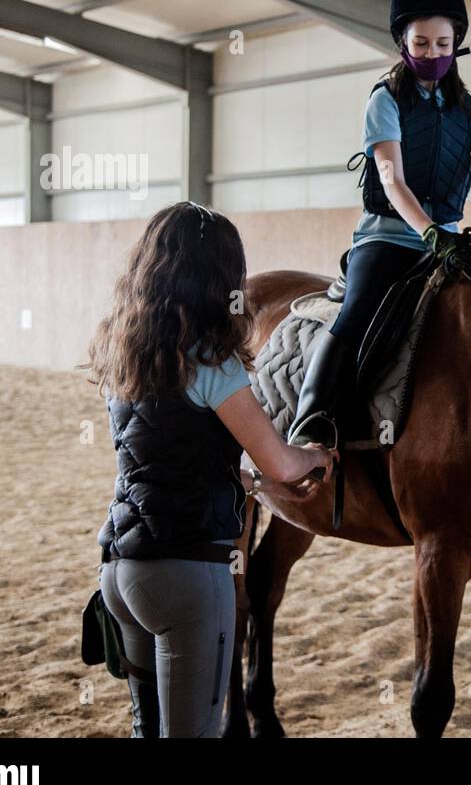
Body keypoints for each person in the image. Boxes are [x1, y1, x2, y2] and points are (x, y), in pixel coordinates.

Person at [84, 201, 336, 737]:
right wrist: (315, 455)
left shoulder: (120, 350)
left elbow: (163, 453)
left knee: (145, 730)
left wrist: (237, 478)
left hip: (119, 570)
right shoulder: (211, 362)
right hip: (187, 576)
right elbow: (279, 462)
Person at [289, 0, 471, 451]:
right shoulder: (385, 100)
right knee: (358, 312)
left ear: (456, 42)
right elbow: (391, 179)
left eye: (442, 43)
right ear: (403, 43)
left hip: (448, 242)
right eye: (421, 43)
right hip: (387, 237)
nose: (432, 54)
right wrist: (428, 232)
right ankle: (313, 416)